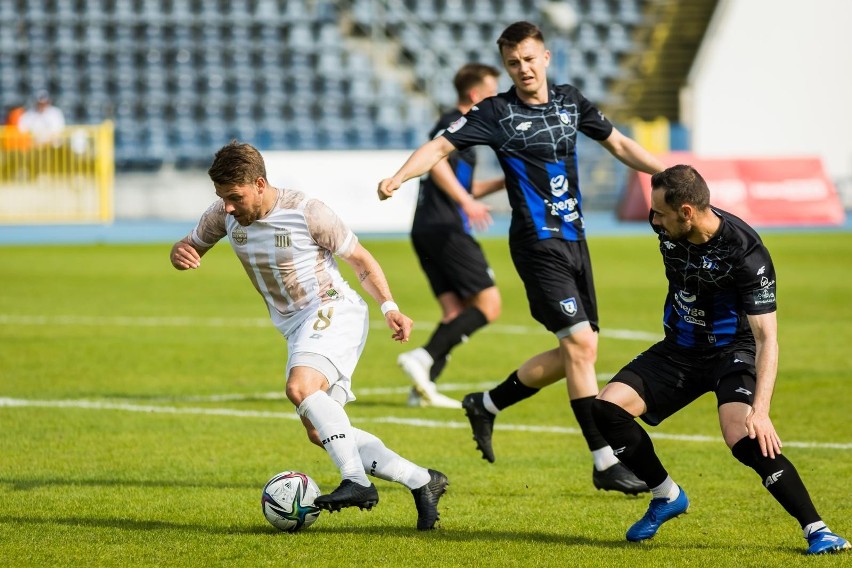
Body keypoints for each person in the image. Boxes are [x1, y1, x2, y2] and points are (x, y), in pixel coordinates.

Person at [378, 21, 665, 495]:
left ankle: (486, 404)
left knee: (578, 350)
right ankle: (603, 459)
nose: (523, 69)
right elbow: (439, 146)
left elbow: (619, 144)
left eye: (529, 59)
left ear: (546, 57)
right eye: (513, 63)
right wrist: (399, 176)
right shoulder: (496, 112)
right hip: (536, 244)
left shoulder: (571, 102)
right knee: (580, 346)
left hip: (576, 240)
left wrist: (669, 170)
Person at [170, 141, 449, 530]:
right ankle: (423, 481)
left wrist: (390, 307)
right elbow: (187, 245)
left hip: (333, 308)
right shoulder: (223, 215)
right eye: (222, 198)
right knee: (322, 432)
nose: (228, 207)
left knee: (300, 388)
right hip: (296, 325)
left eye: (235, 197)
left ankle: (357, 481)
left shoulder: (307, 212)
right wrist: (180, 254)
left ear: (260, 183)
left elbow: (362, 262)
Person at [591, 164, 850, 554]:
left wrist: (760, 410)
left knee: (744, 435)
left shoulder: (746, 254)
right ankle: (667, 495)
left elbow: (767, 337)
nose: (653, 220)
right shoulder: (666, 223)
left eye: (661, 213)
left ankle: (817, 529)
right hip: (679, 348)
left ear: (687, 212)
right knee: (607, 409)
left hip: (732, 351)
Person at [398, 63, 505, 409]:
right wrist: (466, 203)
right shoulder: (452, 124)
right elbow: (437, 162)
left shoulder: (461, 129)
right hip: (446, 227)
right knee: (489, 305)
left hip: (426, 227)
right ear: (475, 96)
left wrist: (502, 184)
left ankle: (422, 388)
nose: (498, 98)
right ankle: (423, 358)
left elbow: (465, 184)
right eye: (493, 92)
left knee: (454, 311)